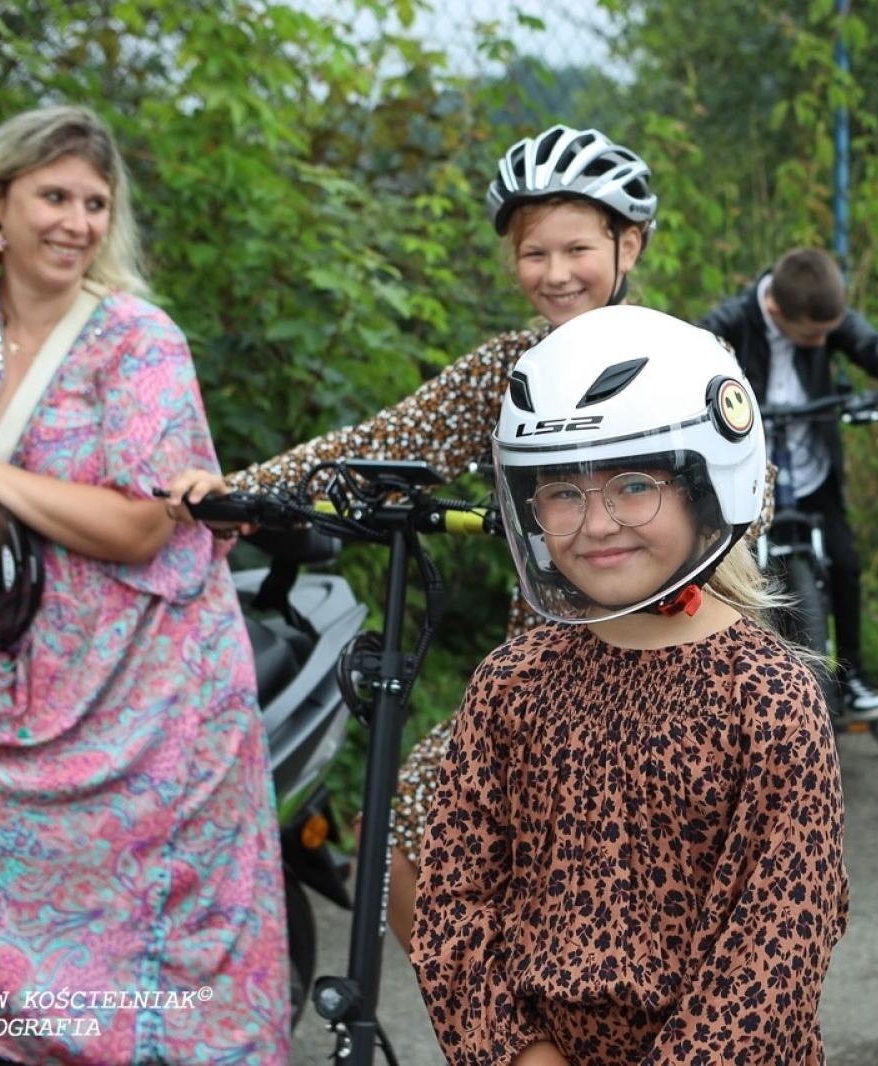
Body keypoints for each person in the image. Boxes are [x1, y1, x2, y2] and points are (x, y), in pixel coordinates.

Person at [0, 106, 287, 1062]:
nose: (76, 222)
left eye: (96, 203)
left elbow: (139, 526)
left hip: (140, 676)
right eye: (52, 195)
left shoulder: (137, 338)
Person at [165, 124, 667, 953]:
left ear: (630, 244)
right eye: (533, 253)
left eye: (578, 248)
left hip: (670, 658)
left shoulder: (684, 362)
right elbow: (388, 444)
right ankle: (484, 1032)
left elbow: (741, 511)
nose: (555, 273)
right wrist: (246, 494)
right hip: (540, 668)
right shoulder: (509, 370)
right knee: (409, 814)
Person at [411, 304, 848, 1065]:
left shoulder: (766, 697)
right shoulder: (512, 684)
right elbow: (453, 902)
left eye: (635, 484)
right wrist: (519, 1055)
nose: (596, 523)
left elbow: (774, 944)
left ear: (705, 488)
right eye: (563, 492)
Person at [698, 247, 878, 722]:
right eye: (814, 337)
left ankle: (855, 678)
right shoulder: (730, 322)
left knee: (845, 562)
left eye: (829, 333)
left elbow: (869, 343)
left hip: (813, 467)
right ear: (774, 310)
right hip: (754, 473)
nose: (824, 341)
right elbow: (690, 360)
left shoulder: (819, 309)